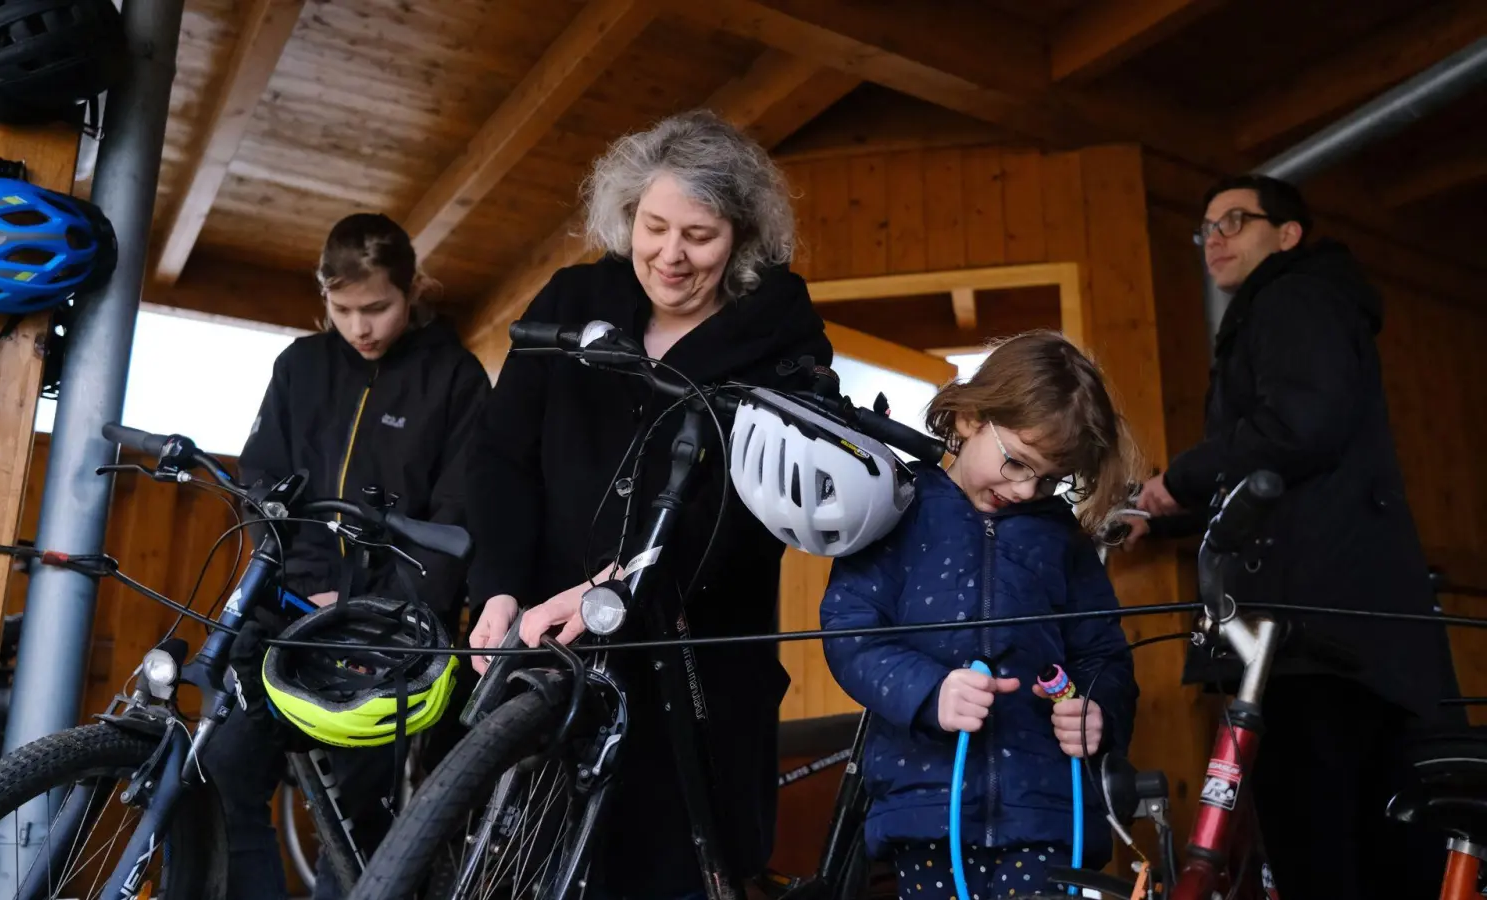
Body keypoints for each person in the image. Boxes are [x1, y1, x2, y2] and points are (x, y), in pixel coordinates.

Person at [465, 110, 833, 899]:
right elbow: (501, 455)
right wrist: (496, 584)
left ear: (739, 235)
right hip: (548, 643)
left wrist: (620, 585)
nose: (670, 255)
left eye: (698, 236)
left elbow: (749, 507)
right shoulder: (575, 296)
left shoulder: (779, 331)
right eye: (654, 226)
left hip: (696, 666)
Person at [1126, 175, 1451, 899]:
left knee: (1319, 846)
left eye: (1234, 221)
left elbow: (1298, 425)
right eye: (1205, 227)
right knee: (1380, 841)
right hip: (1349, 626)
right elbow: (1280, 454)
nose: (1214, 237)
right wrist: (1168, 511)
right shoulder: (1310, 302)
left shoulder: (1292, 298)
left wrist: (1177, 480)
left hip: (1308, 632)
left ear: (1288, 234)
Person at [206, 212, 491, 900]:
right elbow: (263, 481)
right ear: (322, 294)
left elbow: (458, 516)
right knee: (225, 770)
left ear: (414, 289)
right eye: (342, 309)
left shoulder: (456, 379)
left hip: (388, 637)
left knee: (357, 820)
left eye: (378, 308)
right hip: (289, 611)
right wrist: (303, 583)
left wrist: (373, 608)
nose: (360, 327)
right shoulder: (299, 366)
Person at [821, 331, 1141, 900]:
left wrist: (1098, 712)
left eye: (1047, 479)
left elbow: (1104, 656)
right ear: (970, 418)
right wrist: (928, 693)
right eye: (1016, 462)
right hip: (927, 812)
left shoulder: (1060, 538)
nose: (1024, 489)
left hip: (1045, 812)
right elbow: (851, 632)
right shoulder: (896, 509)